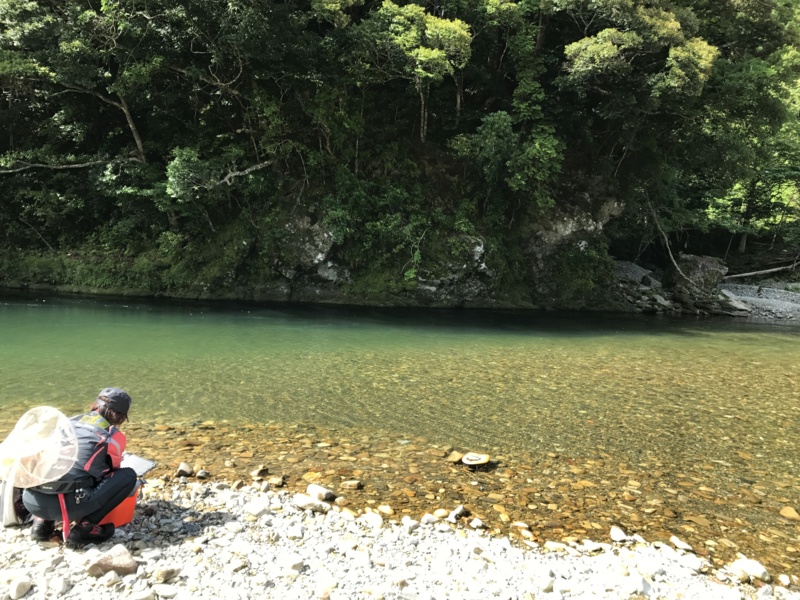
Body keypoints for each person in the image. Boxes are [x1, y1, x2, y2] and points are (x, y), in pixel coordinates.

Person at [22, 387, 137, 548]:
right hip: (68, 506)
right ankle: (85, 529)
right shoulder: (113, 435)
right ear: (121, 416)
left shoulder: (67, 422)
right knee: (128, 476)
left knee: (57, 470)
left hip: (31, 501)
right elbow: (112, 473)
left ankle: (41, 524)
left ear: (95, 405)